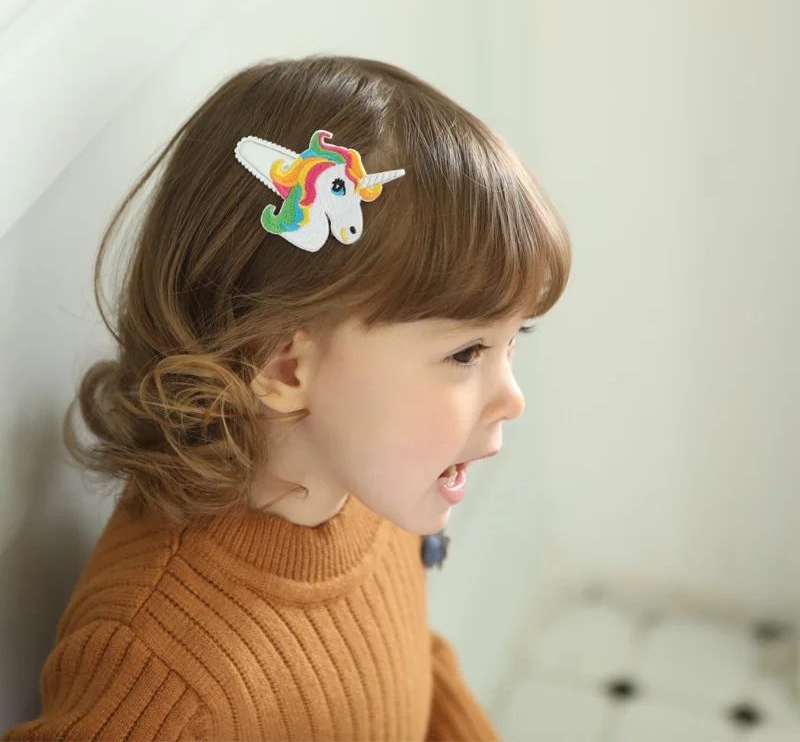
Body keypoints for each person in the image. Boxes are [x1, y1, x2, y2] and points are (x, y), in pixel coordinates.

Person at [3, 54, 571, 741]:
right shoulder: (158, 672)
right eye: (466, 353)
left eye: (512, 341)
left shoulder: (368, 487)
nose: (512, 398)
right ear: (285, 367)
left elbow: (411, 665)